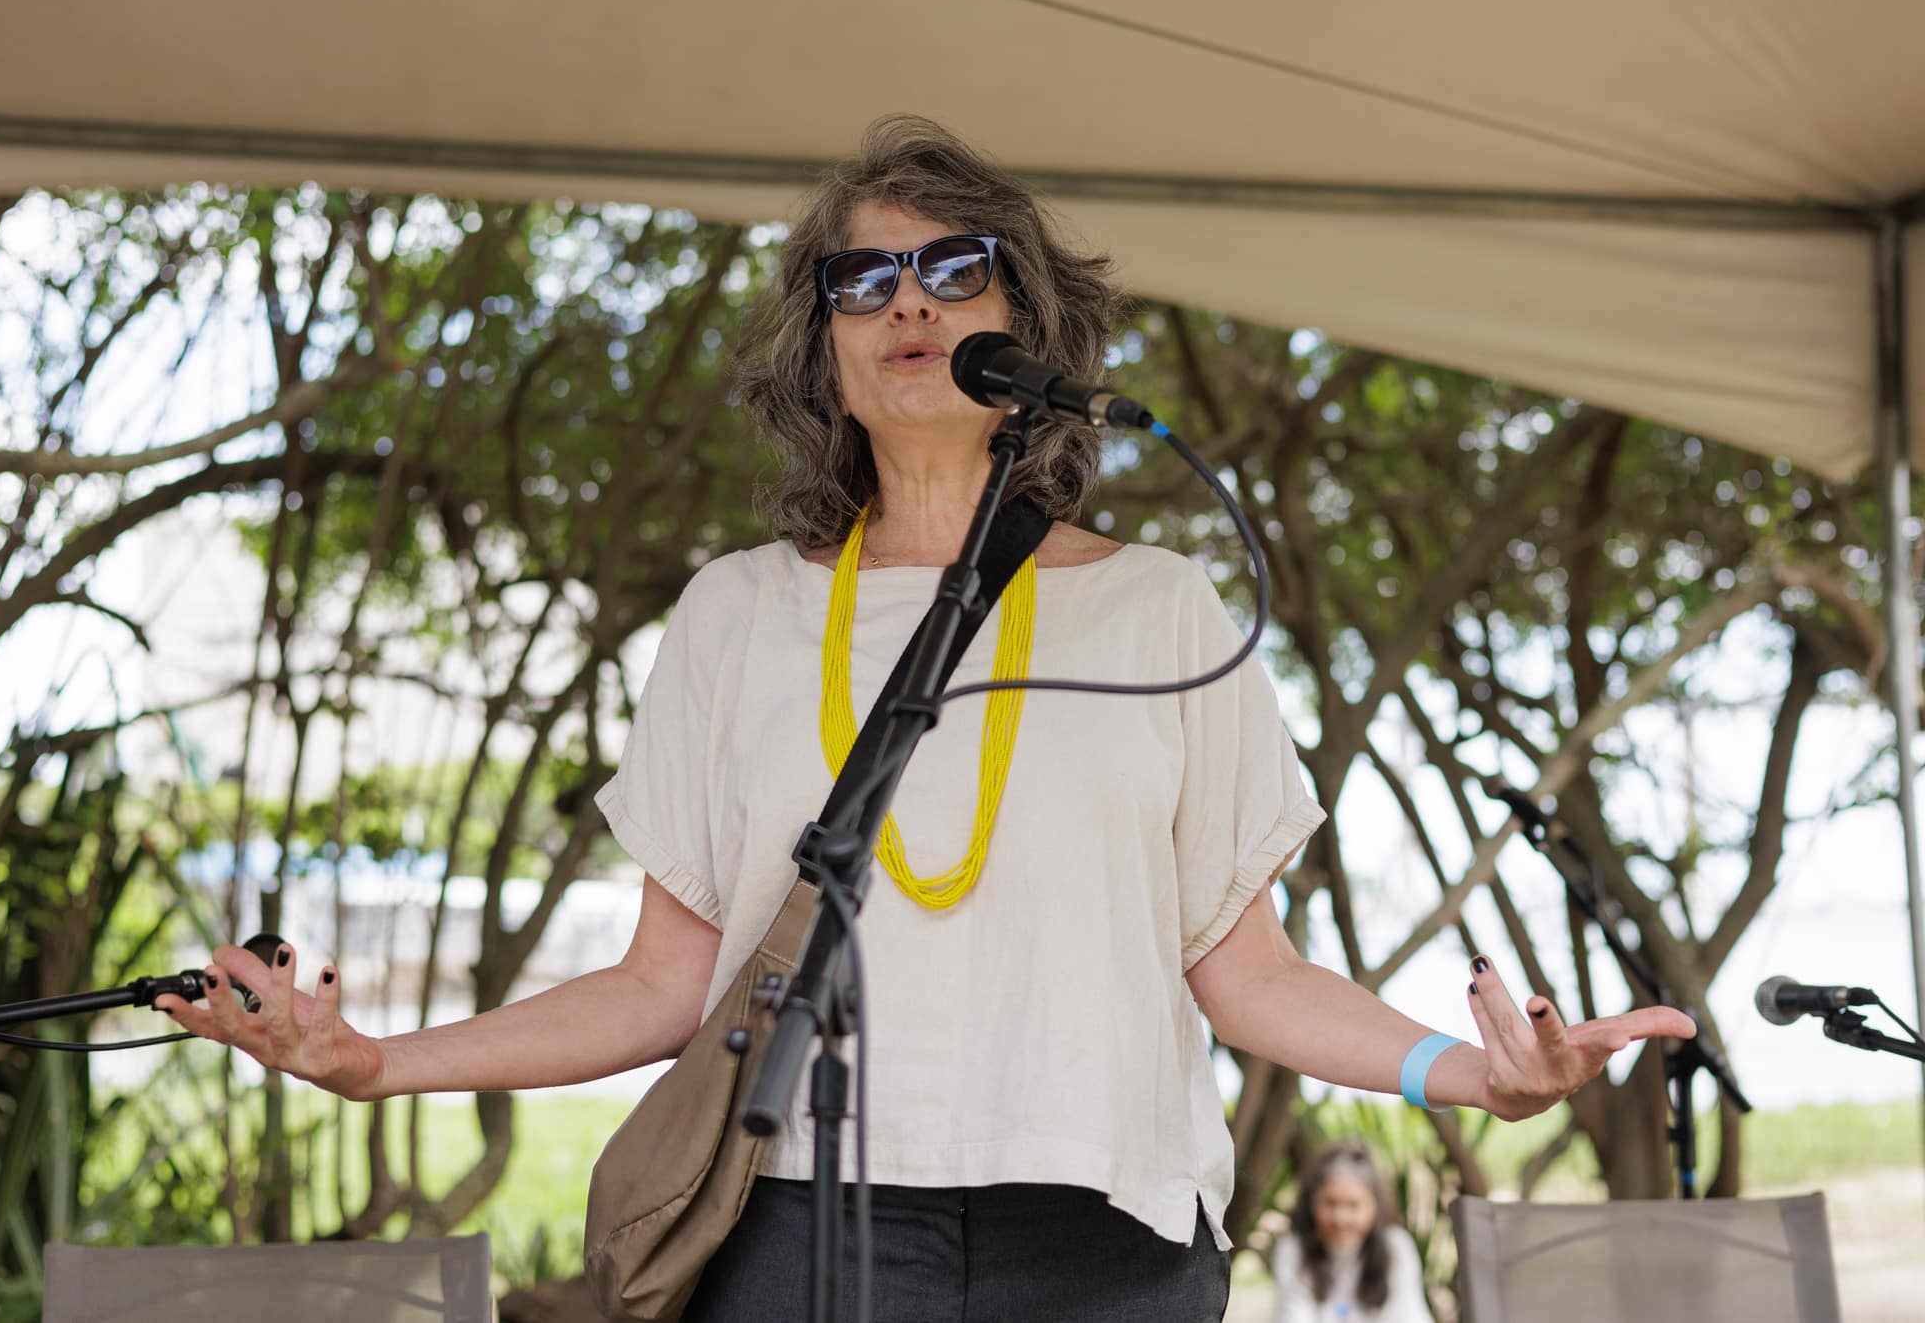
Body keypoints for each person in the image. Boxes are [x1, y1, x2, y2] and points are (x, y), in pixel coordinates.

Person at [156, 115, 1695, 1321]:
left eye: (957, 269)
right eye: (864, 277)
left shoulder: (1160, 608)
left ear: (1030, 328)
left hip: (1109, 1248)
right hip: (794, 1229)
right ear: (821, 344)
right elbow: (655, 987)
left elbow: (1249, 972)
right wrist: (374, 1061)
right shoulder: (736, 613)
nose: (907, 302)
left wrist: (1471, 1073)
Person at [1272, 1145, 1432, 1323]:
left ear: (1375, 1206)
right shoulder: (1293, 1250)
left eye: (1353, 1205)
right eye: (1330, 1203)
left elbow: (1408, 1315)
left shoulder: (1396, 1247)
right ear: (1312, 1202)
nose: (1340, 1218)